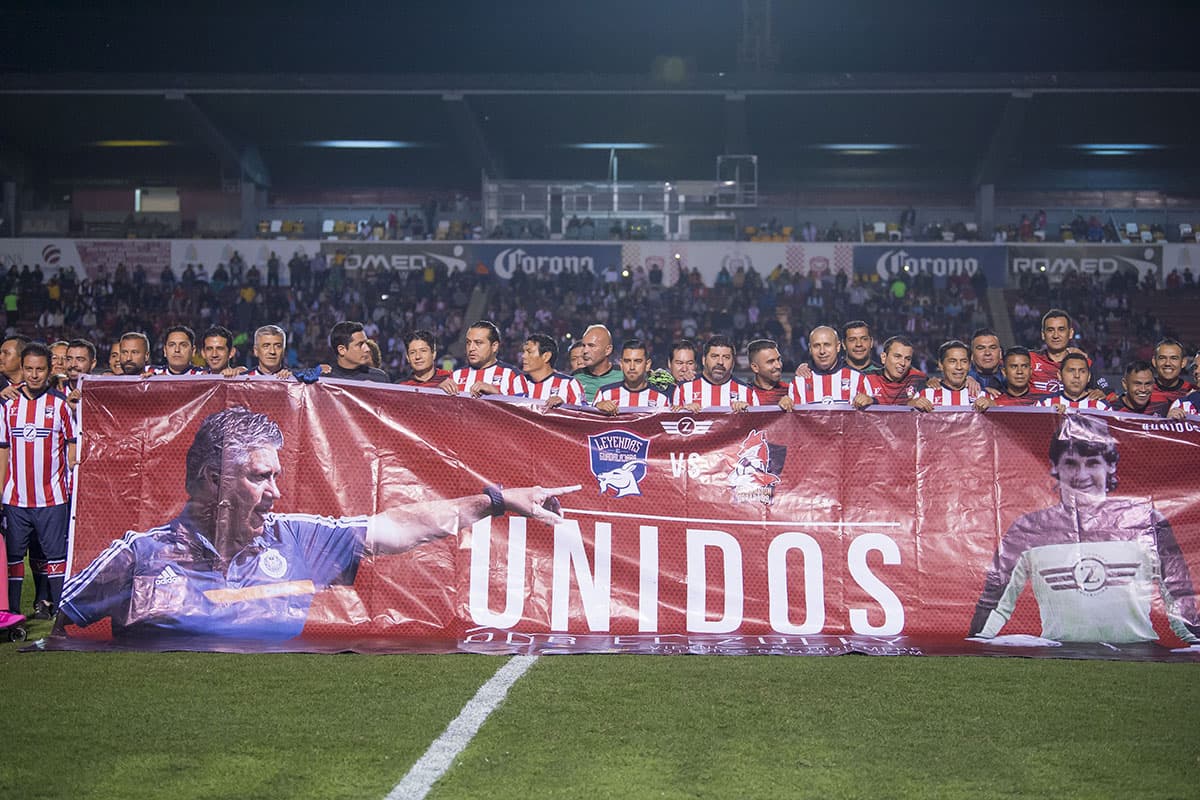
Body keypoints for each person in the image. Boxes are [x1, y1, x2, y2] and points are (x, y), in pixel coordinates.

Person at [57, 406, 577, 640]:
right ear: (214, 479)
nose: (276, 493)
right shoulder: (136, 558)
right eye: (260, 478)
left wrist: (500, 499)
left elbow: (394, 528)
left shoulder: (296, 536)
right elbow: (62, 631)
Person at [968, 414, 1200, 645]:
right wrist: (975, 643)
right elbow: (995, 600)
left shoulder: (1145, 519)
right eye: (1071, 463)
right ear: (1054, 467)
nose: (1081, 475)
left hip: (1138, 653)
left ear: (1110, 465)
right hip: (1061, 656)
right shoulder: (1028, 529)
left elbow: (1177, 591)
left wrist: (1197, 642)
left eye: (1092, 463)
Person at [2, 343, 76, 619]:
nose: (34, 375)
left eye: (40, 369)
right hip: (14, 498)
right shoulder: (8, 405)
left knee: (55, 557)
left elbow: (72, 446)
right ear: (22, 370)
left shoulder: (60, 405)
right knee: (12, 559)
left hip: (53, 498)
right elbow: (3, 451)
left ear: (49, 371)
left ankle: (61, 613)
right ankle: (9, 611)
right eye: (29, 369)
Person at [783, 325, 873, 409]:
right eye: (816, 346)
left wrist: (871, 401)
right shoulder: (799, 382)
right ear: (810, 349)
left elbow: (874, 417)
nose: (822, 351)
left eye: (827, 345)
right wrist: (785, 405)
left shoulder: (858, 379)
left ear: (838, 347)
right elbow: (794, 421)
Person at [440, 319, 526, 397]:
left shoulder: (512, 376)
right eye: (468, 343)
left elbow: (524, 411)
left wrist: (497, 395)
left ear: (494, 346)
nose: (471, 348)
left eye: (478, 343)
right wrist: (437, 392)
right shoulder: (455, 376)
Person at [671, 335, 749, 411]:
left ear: (733, 362)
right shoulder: (684, 388)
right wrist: (685, 412)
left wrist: (746, 414)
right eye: (714, 356)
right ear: (704, 360)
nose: (720, 362)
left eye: (726, 357)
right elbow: (673, 421)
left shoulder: (746, 391)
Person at [594, 339, 669, 413]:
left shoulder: (661, 398)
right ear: (621, 364)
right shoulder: (605, 394)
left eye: (638, 361)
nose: (632, 367)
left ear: (647, 365)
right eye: (627, 361)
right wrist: (597, 407)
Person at [910, 340, 977, 411]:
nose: (959, 367)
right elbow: (906, 416)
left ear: (969, 365)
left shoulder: (980, 395)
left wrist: (990, 404)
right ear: (941, 365)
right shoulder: (926, 395)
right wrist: (911, 405)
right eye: (952, 361)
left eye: (964, 361)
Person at [522, 333, 585, 408]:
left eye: (529, 352)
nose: (523, 356)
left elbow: (583, 414)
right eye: (524, 352)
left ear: (546, 356)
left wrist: (564, 406)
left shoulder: (569, 384)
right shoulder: (518, 382)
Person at [864, 336, 927, 405]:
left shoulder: (918, 379)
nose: (903, 363)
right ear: (884, 357)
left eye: (908, 359)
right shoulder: (867, 378)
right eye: (897, 356)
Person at [1037, 353, 1109, 412]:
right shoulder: (1044, 404)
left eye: (1082, 371)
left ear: (1089, 377)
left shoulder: (1102, 407)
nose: (1077, 375)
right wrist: (1050, 418)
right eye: (1071, 370)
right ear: (1060, 375)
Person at [976, 347, 1042, 410]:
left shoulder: (1045, 399)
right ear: (1004, 372)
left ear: (1030, 371)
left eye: (1024, 366)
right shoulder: (990, 399)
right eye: (1014, 366)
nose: (1019, 371)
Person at [1145, 338, 1194, 416]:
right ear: (1154, 362)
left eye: (1174, 358)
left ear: (1183, 362)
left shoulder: (1193, 393)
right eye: (1162, 358)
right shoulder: (1142, 391)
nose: (1167, 363)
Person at [572, 324, 619, 403]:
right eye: (584, 345)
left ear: (608, 350)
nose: (585, 351)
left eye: (591, 346)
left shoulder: (624, 374)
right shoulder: (576, 377)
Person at [745, 339, 791, 407]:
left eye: (778, 359)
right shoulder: (744, 394)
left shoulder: (791, 391)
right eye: (770, 361)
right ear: (755, 367)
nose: (778, 366)